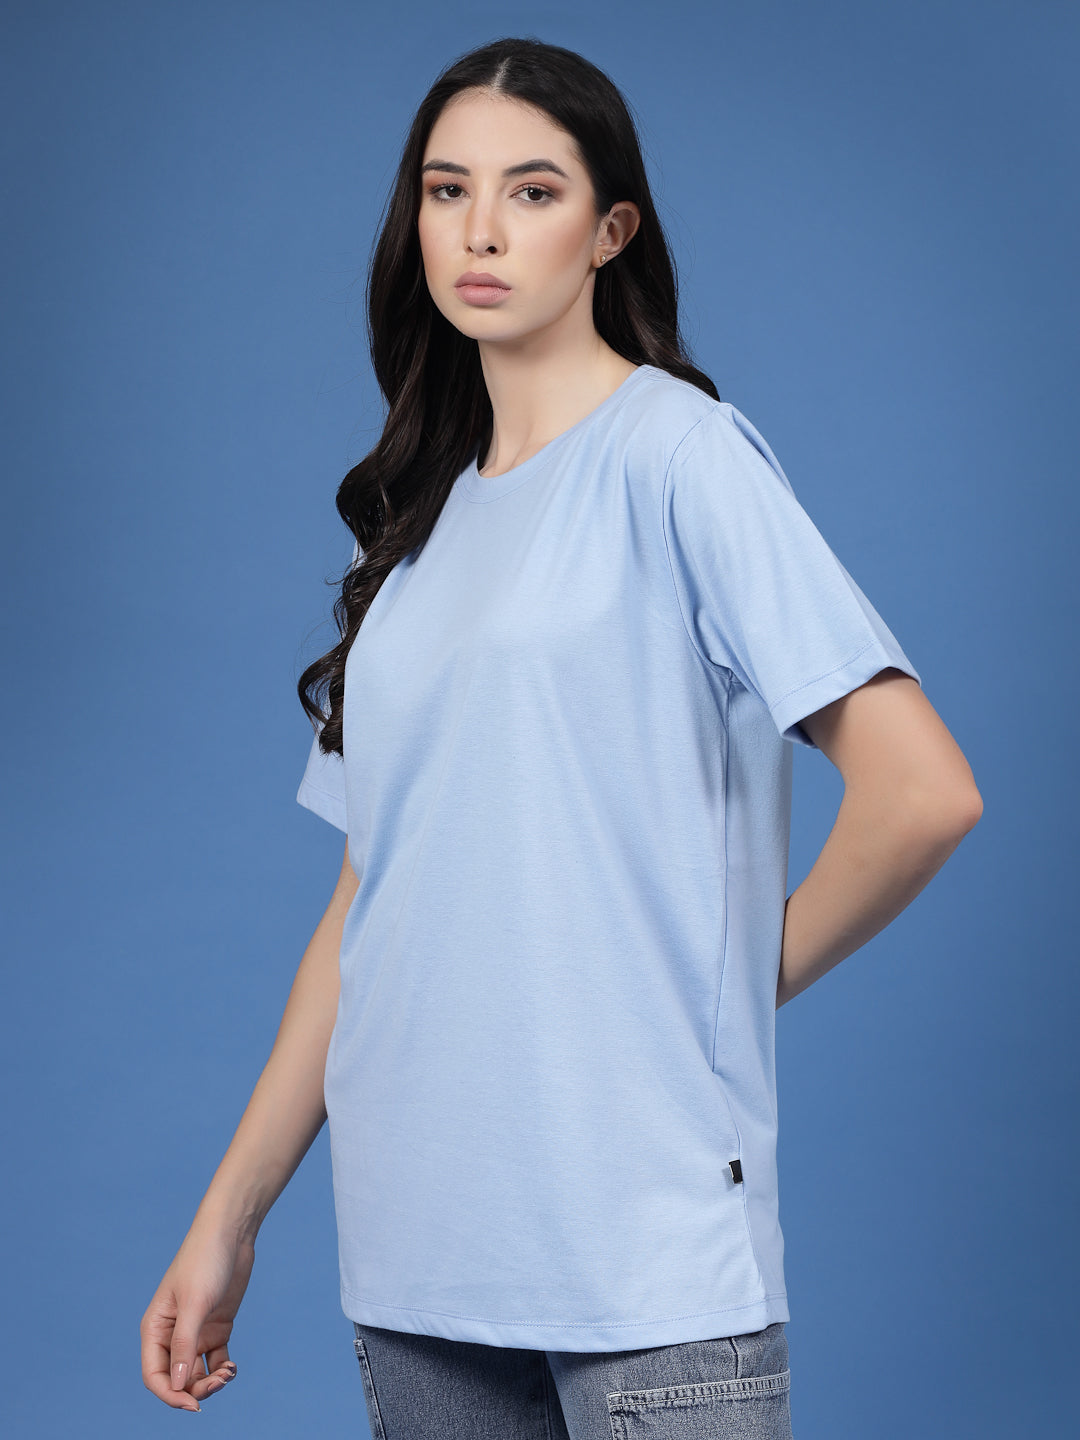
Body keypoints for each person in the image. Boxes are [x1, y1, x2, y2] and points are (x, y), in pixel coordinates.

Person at [140, 35, 982, 1439]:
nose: (480, 229)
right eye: (446, 189)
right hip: (414, 1248)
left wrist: (722, 984)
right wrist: (228, 1219)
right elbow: (367, 901)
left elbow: (922, 793)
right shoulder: (414, 527)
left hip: (642, 1243)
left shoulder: (678, 456)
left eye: (532, 191)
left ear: (609, 231)